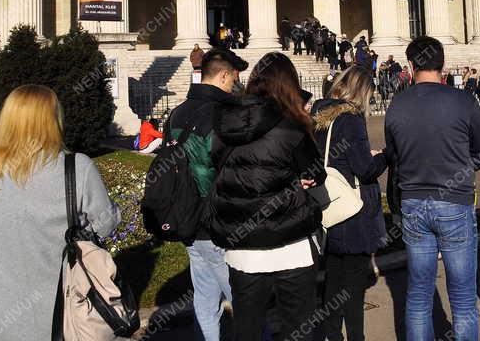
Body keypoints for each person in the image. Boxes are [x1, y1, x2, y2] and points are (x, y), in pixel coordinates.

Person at [0, 85, 119, 340]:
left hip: (4, 323)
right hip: (68, 318)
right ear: (53, 120)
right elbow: (106, 224)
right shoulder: (76, 169)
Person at [384, 36, 480, 341]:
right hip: (454, 202)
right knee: (462, 298)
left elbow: (394, 155)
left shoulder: (396, 105)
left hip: (414, 203)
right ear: (442, 64)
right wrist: (460, 167)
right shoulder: (462, 101)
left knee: (418, 294)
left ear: (410, 65)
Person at [209, 52, 325, 341]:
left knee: (246, 329)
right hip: (291, 245)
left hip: (243, 247)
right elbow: (315, 172)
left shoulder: (224, 124)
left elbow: (217, 169)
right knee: (298, 328)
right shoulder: (292, 125)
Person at [165, 48, 247, 341]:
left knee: (205, 300)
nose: (236, 84)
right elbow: (230, 171)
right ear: (224, 74)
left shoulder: (177, 112)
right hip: (220, 224)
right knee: (246, 302)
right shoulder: (226, 114)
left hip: (187, 222)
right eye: (234, 77)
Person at [312, 67, 388, 341]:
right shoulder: (351, 119)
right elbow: (365, 169)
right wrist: (383, 157)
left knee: (333, 277)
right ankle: (356, 336)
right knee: (355, 284)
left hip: (329, 205)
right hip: (352, 208)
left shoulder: (319, 116)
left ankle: (333, 335)